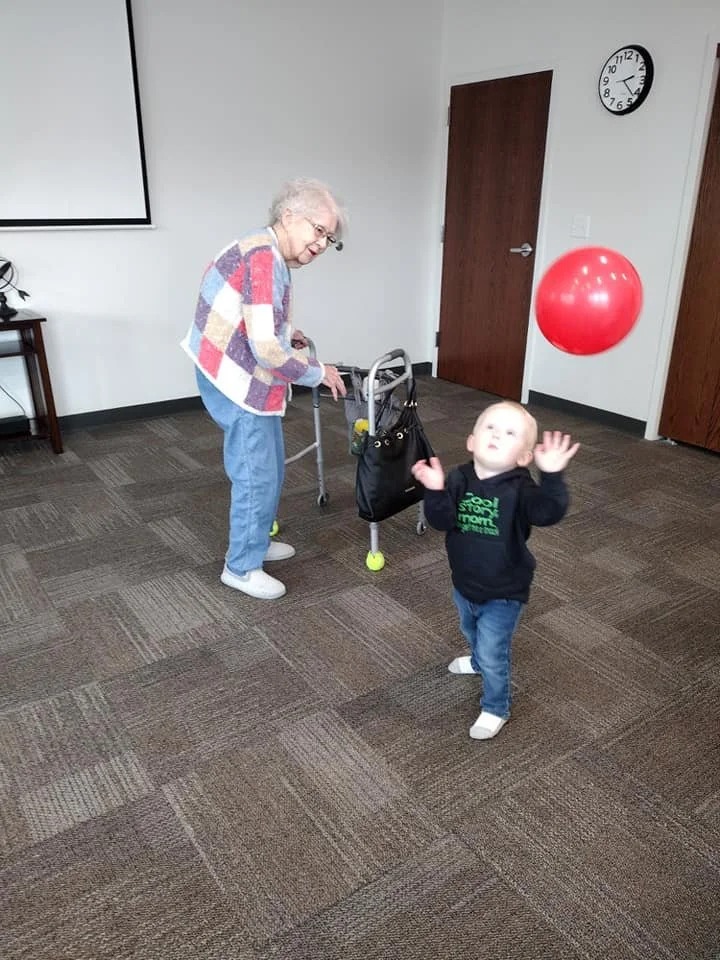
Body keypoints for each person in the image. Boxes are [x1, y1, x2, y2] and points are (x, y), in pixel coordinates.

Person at [181, 178, 347, 600]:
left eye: (330, 238)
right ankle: (240, 567)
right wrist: (317, 372)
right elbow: (267, 350)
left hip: (229, 365)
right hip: (235, 378)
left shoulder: (263, 249)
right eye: (319, 231)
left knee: (268, 464)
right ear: (289, 216)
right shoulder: (264, 259)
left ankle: (254, 541)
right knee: (256, 473)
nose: (323, 244)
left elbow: (261, 321)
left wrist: (285, 332)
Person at [411, 401, 579, 740]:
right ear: (471, 441)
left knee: (493, 651)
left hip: (505, 590)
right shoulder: (459, 477)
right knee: (470, 630)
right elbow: (441, 520)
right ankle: (475, 662)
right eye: (489, 427)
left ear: (524, 457)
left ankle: (496, 706)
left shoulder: (521, 487)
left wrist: (552, 476)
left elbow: (548, 513)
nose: (497, 434)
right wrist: (435, 490)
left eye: (510, 432)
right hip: (464, 583)